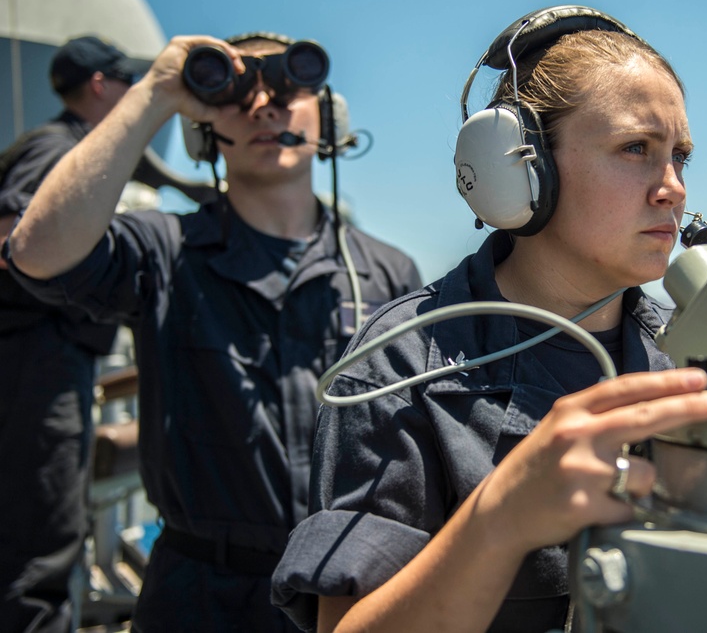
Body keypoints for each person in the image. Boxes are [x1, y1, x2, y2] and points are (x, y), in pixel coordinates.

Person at [270, 5, 707, 633]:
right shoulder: (402, 363)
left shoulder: (699, 353)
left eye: (680, 155)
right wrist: (503, 517)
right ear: (520, 167)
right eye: (635, 149)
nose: (673, 187)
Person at [5, 31, 422, 631]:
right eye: (239, 92)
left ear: (328, 120)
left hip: (350, 588)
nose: (264, 105)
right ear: (204, 129)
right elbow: (38, 253)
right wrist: (154, 94)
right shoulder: (164, 251)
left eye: (287, 86)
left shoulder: (387, 273)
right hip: (201, 599)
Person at [0, 35, 152, 632]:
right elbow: (14, 235)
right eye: (126, 83)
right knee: (43, 541)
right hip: (38, 362)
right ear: (100, 86)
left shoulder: (54, 145)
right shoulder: (60, 149)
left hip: (42, 361)